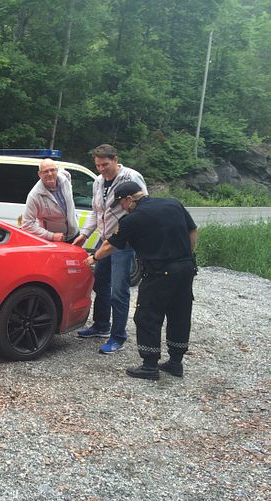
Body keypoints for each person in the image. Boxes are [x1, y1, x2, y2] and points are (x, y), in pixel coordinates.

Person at [84, 182, 198, 380]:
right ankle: (175, 362)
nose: (121, 208)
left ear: (130, 199)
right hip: (186, 269)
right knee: (179, 314)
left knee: (147, 316)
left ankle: (149, 365)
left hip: (159, 272)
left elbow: (111, 245)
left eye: (120, 204)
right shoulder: (173, 204)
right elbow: (192, 232)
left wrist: (93, 258)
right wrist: (186, 256)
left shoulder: (132, 219)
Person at [73, 144, 147, 354]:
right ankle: (101, 326)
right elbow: (97, 213)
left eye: (105, 165)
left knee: (119, 290)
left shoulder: (131, 177)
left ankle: (118, 336)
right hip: (105, 239)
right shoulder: (98, 182)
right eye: (97, 165)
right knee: (100, 283)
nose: (102, 169)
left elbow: (143, 205)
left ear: (115, 159)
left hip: (124, 241)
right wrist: (85, 234)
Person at [19, 159, 79, 242]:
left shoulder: (65, 179)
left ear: (56, 170)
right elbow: (27, 225)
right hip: (54, 241)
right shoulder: (35, 195)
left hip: (74, 234)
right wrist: (51, 236)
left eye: (52, 170)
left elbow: (65, 172)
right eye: (46, 171)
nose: (50, 174)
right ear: (39, 174)